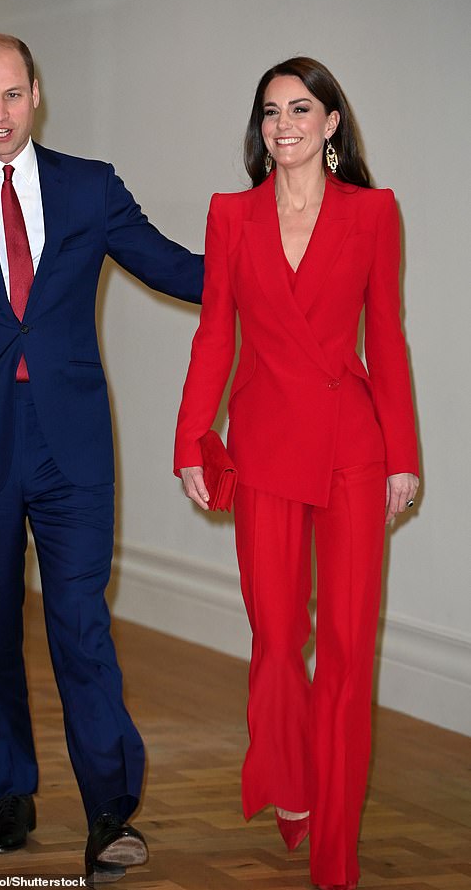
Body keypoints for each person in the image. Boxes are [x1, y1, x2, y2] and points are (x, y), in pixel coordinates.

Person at [0, 34, 203, 882]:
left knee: (80, 624)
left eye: (13, 95)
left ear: (37, 94)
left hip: (72, 444)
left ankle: (107, 808)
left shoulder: (89, 186)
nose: (0, 114)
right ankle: (13, 790)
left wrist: (274, 256)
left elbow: (170, 265)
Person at [174, 57, 419, 890]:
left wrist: (405, 456)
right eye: (272, 111)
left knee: (349, 652)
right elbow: (215, 334)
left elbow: (385, 337)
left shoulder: (373, 213)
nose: (285, 124)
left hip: (354, 449)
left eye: (301, 109)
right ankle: (287, 773)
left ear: (331, 124)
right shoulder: (230, 215)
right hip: (266, 449)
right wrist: (190, 437)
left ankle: (335, 854)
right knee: (278, 639)